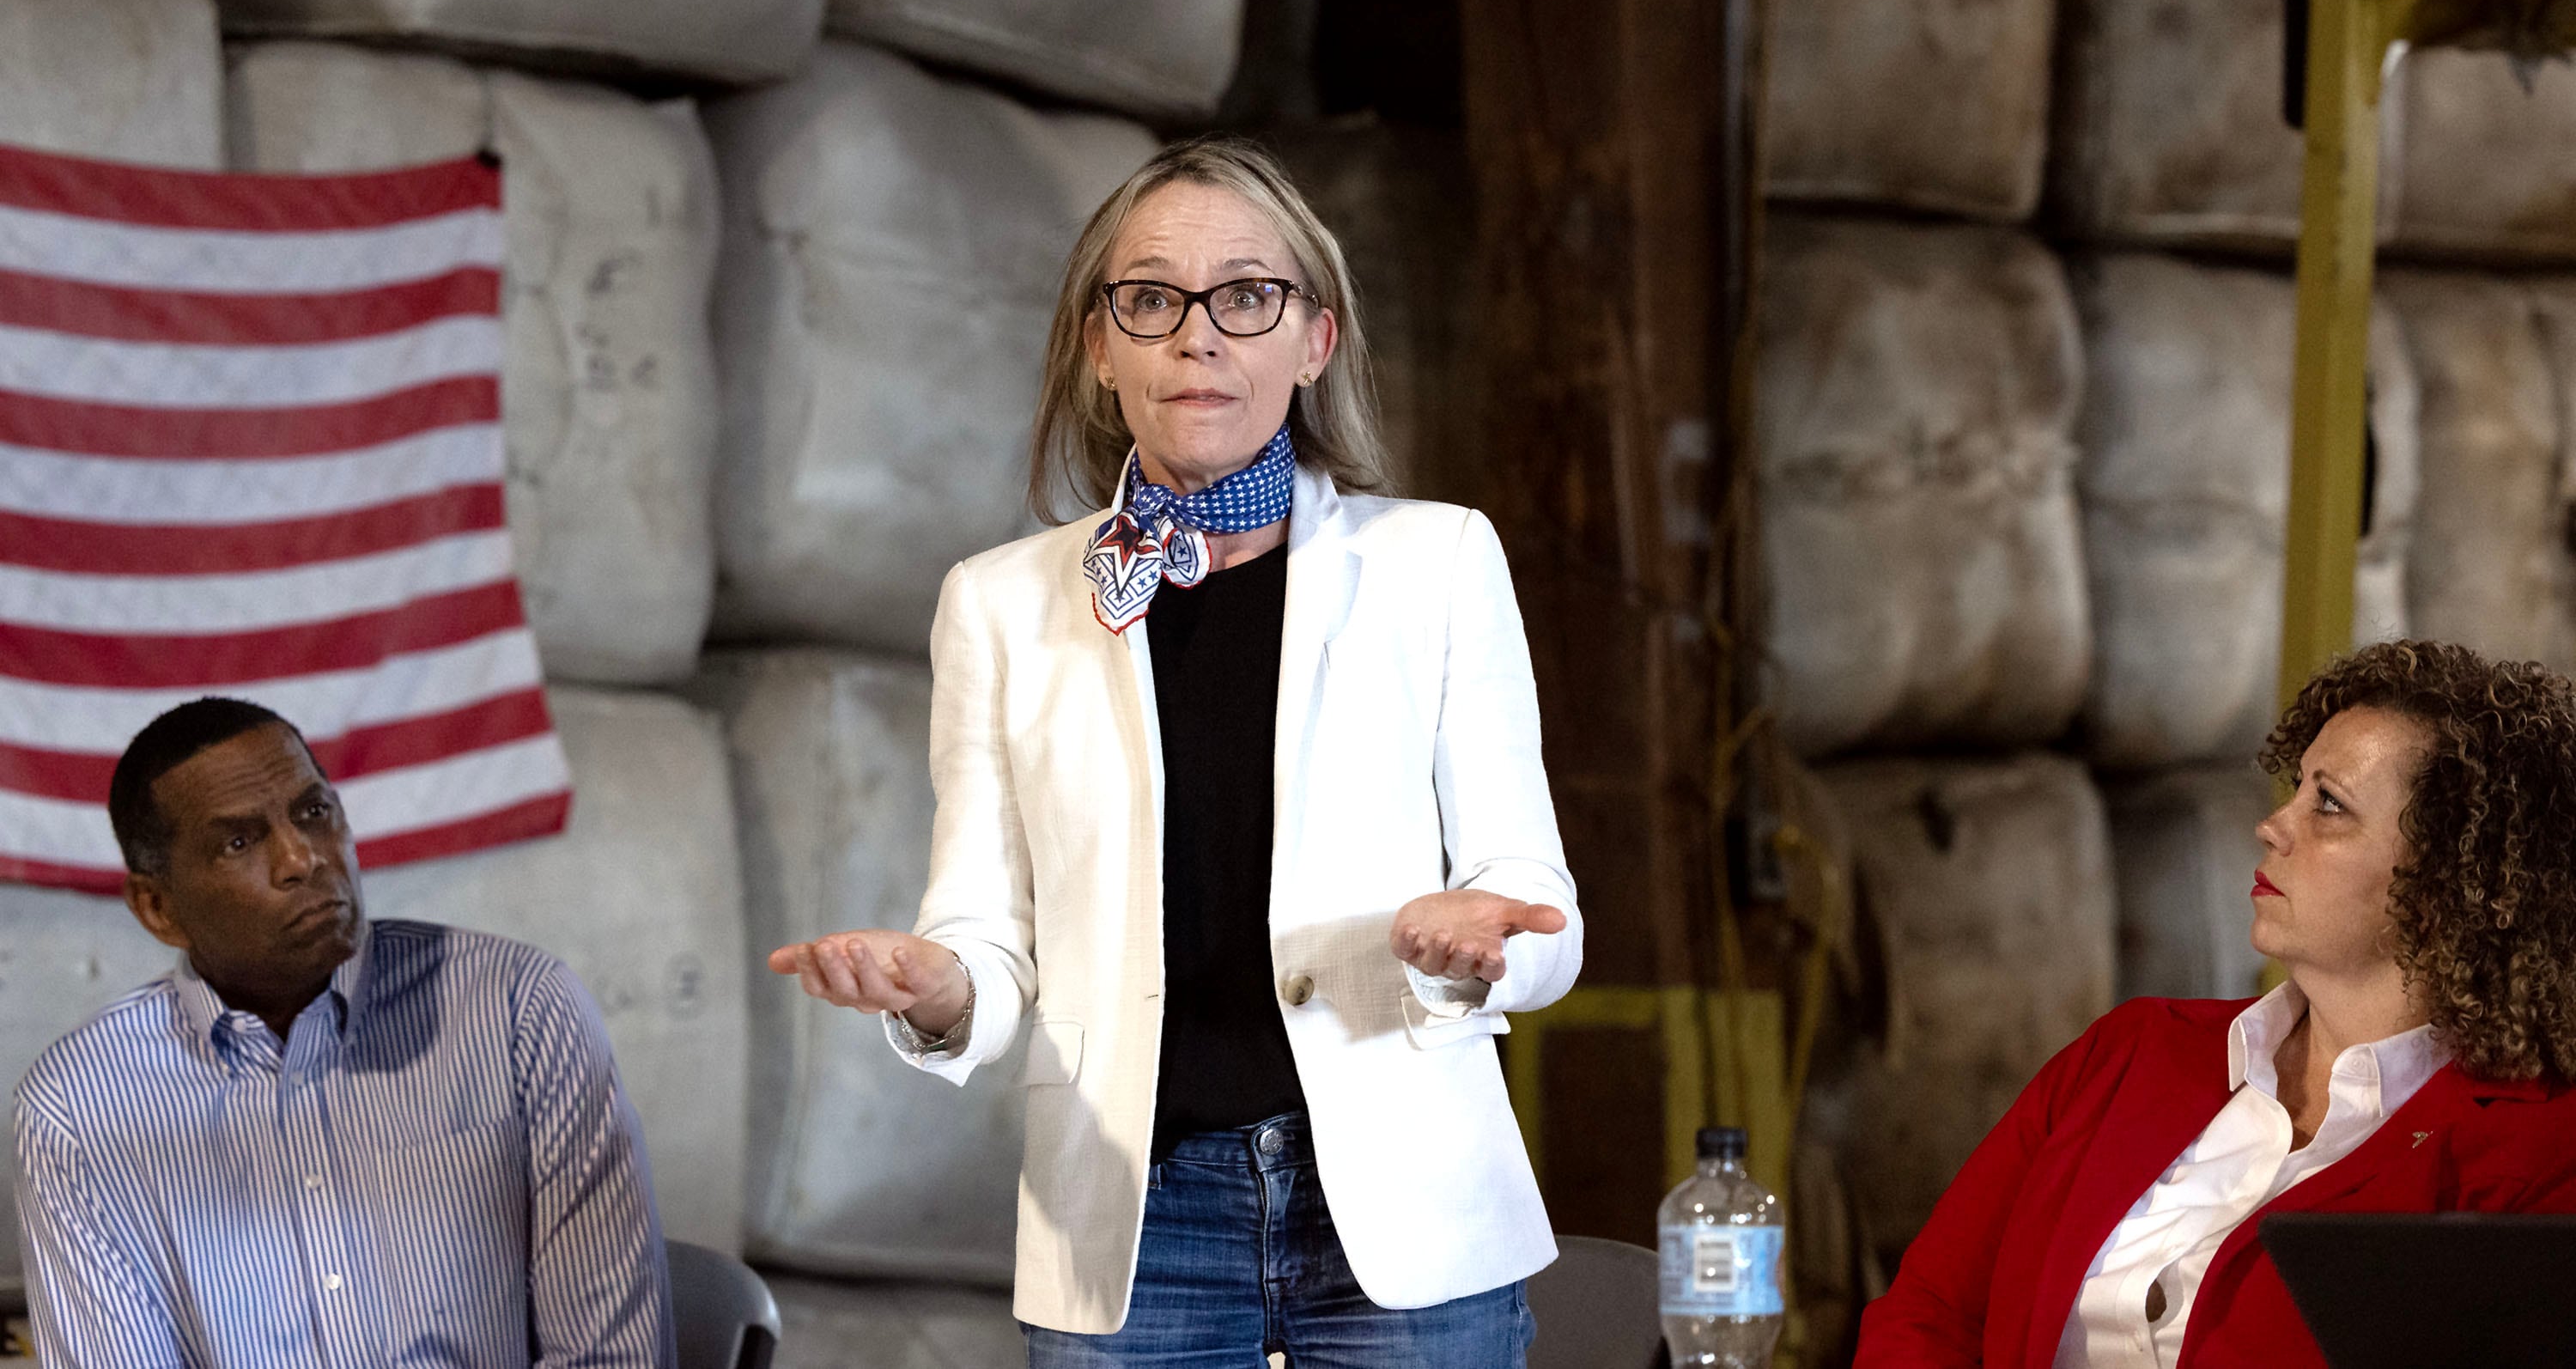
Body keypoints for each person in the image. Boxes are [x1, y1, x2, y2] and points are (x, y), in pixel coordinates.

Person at [768, 135, 1583, 1363]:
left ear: (1315, 340)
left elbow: (1535, 899)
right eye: (1151, 299)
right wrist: (940, 990)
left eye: (1246, 296)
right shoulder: (1000, 603)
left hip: (1403, 1200)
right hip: (1136, 1221)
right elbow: (983, 930)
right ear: (1101, 346)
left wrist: (1476, 944)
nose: (1197, 335)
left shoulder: (1439, 563)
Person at [1857, 639, 2576, 1369]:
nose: (2275, 825)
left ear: (2448, 882)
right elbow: (1930, 1308)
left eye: (2329, 804)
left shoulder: (2540, 1155)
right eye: (2295, 787)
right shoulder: (2129, 1051)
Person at [11, 697, 674, 1368]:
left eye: (313, 812)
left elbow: (612, 1357)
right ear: (158, 907)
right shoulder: (77, 1110)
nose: (302, 857)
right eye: (239, 842)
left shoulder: (517, 1009)